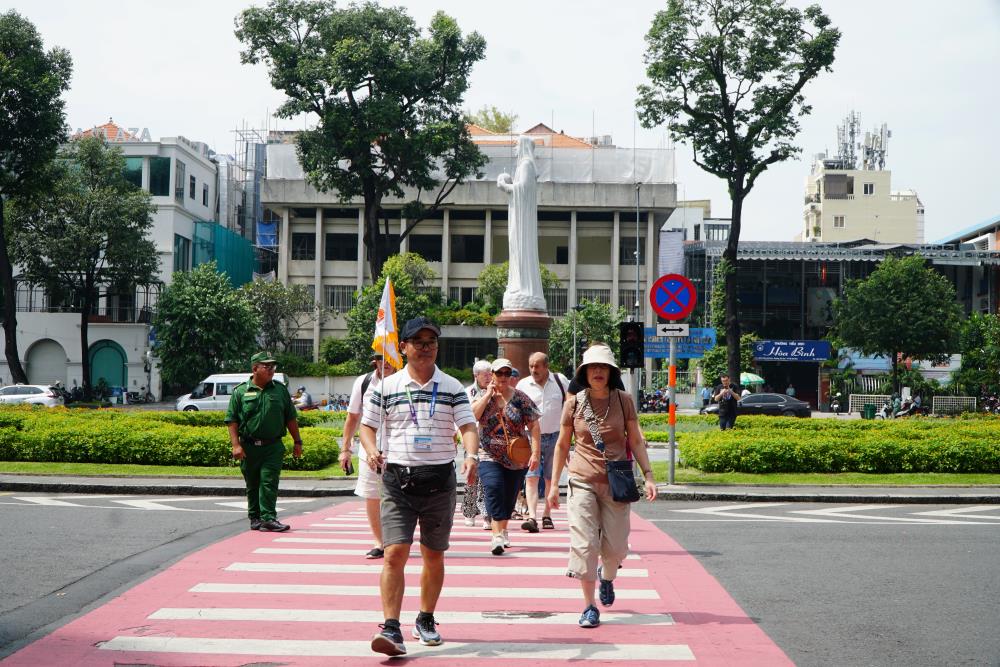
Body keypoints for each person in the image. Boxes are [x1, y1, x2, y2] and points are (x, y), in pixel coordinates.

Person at [359, 316, 479, 657]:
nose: (426, 348)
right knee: (394, 553)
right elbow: (366, 428)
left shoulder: (453, 387)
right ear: (403, 348)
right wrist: (370, 451)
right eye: (419, 341)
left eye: (431, 342)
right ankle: (391, 628)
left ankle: (426, 619)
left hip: (439, 480)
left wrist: (471, 454)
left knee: (433, 554)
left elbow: (468, 425)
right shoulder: (385, 387)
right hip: (397, 479)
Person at [546, 343, 657, 629]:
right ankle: (588, 606)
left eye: (603, 367)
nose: (597, 371)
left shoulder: (623, 400)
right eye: (592, 367)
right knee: (585, 543)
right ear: (584, 372)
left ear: (610, 372)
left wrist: (649, 475)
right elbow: (562, 445)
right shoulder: (574, 403)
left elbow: (634, 440)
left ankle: (606, 577)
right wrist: (553, 487)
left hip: (616, 483)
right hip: (581, 480)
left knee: (617, 547)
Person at [225, 351, 303, 532]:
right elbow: (232, 420)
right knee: (252, 483)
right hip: (249, 446)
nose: (271, 370)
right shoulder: (240, 392)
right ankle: (255, 518)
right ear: (254, 369)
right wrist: (236, 445)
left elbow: (290, 418)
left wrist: (297, 442)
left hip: (273, 446)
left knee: (269, 481)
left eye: (273, 367)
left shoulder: (280, 390)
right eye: (266, 366)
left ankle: (268, 517)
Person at [471, 358, 541, 555]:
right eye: (499, 373)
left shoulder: (521, 398)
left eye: (506, 373)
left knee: (509, 496)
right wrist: (487, 396)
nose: (503, 377)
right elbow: (473, 416)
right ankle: (497, 536)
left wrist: (535, 453)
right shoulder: (483, 397)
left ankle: (503, 529)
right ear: (491, 375)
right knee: (493, 489)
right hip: (488, 455)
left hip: (516, 457)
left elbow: (534, 426)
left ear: (511, 376)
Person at [341, 353, 397, 559]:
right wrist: (345, 449)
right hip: (369, 450)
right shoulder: (364, 382)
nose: (386, 363)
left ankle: (396, 539)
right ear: (375, 361)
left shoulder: (405, 381)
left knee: (399, 498)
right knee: (373, 496)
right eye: (382, 359)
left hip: (400, 450)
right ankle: (379, 542)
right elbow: (353, 416)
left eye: (390, 358)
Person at [516, 352, 568, 532]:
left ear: (546, 366)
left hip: (556, 437)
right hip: (530, 439)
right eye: (531, 366)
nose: (533, 370)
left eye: (537, 366)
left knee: (550, 479)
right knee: (531, 478)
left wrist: (569, 441)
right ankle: (532, 516)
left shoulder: (560, 381)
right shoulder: (523, 385)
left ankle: (547, 514)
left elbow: (570, 407)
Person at [461, 360, 493, 528]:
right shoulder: (470, 392)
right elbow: (473, 415)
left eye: (490, 373)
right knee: (472, 477)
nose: (489, 377)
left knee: (488, 479)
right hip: (474, 440)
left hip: (492, 441)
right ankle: (469, 512)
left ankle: (487, 515)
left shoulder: (496, 391)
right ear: (476, 376)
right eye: (485, 374)